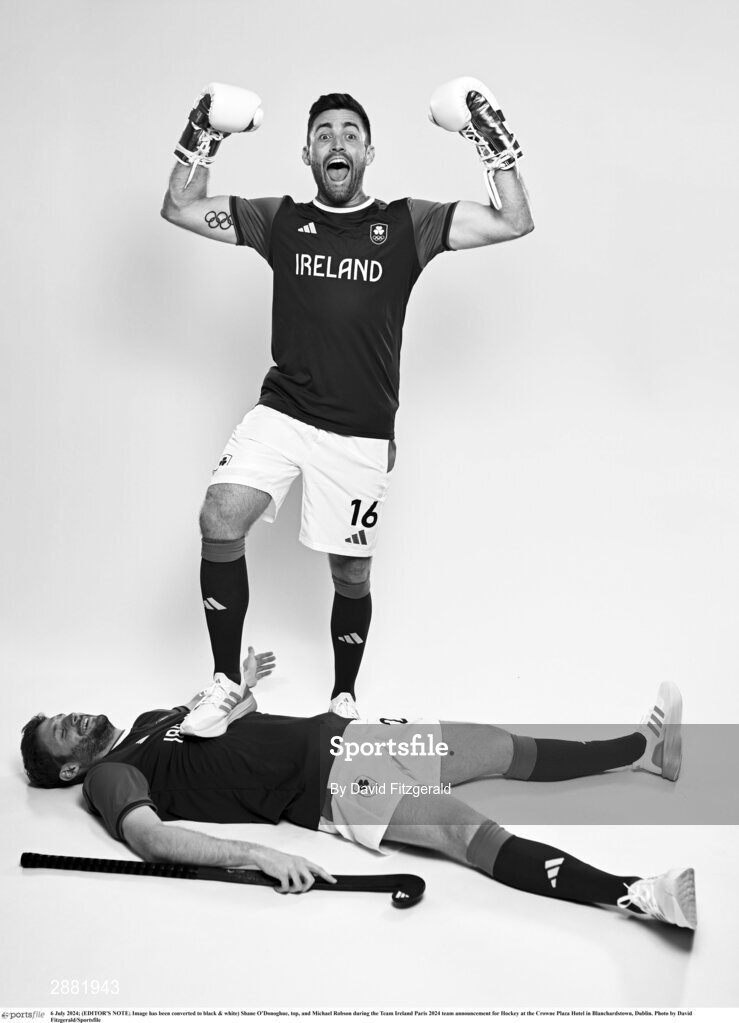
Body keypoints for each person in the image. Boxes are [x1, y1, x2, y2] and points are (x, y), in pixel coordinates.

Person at [160, 77, 534, 730]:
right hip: (282, 411)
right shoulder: (277, 220)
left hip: (359, 431)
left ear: (368, 152)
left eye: (350, 133)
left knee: (350, 571)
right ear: (307, 154)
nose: (337, 142)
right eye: (324, 135)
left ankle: (343, 696)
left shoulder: (405, 224)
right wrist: (203, 135)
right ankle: (224, 683)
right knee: (219, 515)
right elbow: (180, 207)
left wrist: (489, 139)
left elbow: (513, 220)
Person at [20, 658, 696, 930]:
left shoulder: (145, 721)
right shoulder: (112, 775)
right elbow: (149, 837)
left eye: (63, 713)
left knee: (497, 743)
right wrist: (255, 854)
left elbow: (225, 719)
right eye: (60, 732)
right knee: (470, 832)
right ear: (70, 771)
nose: (73, 717)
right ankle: (637, 893)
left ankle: (642, 751)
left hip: (347, 736)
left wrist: (244, 683)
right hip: (334, 785)